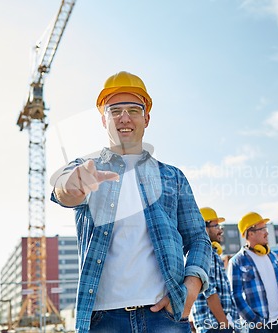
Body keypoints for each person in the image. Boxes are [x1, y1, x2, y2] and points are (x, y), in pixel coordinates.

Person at [50, 71, 211, 333]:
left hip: (165, 317)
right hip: (103, 320)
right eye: (115, 110)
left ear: (146, 118)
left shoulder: (172, 177)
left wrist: (191, 289)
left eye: (133, 110)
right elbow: (63, 190)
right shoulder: (86, 168)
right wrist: (73, 185)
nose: (124, 118)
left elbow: (198, 238)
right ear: (104, 120)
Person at [228, 212, 278, 333]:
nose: (267, 232)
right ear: (250, 233)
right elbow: (235, 295)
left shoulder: (273, 257)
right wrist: (254, 321)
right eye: (263, 229)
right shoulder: (237, 261)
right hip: (257, 327)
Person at [191, 207, 239, 333]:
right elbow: (210, 294)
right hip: (214, 326)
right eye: (216, 226)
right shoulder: (204, 253)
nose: (220, 230)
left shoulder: (213, 254)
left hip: (219, 325)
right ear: (204, 227)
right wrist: (225, 324)